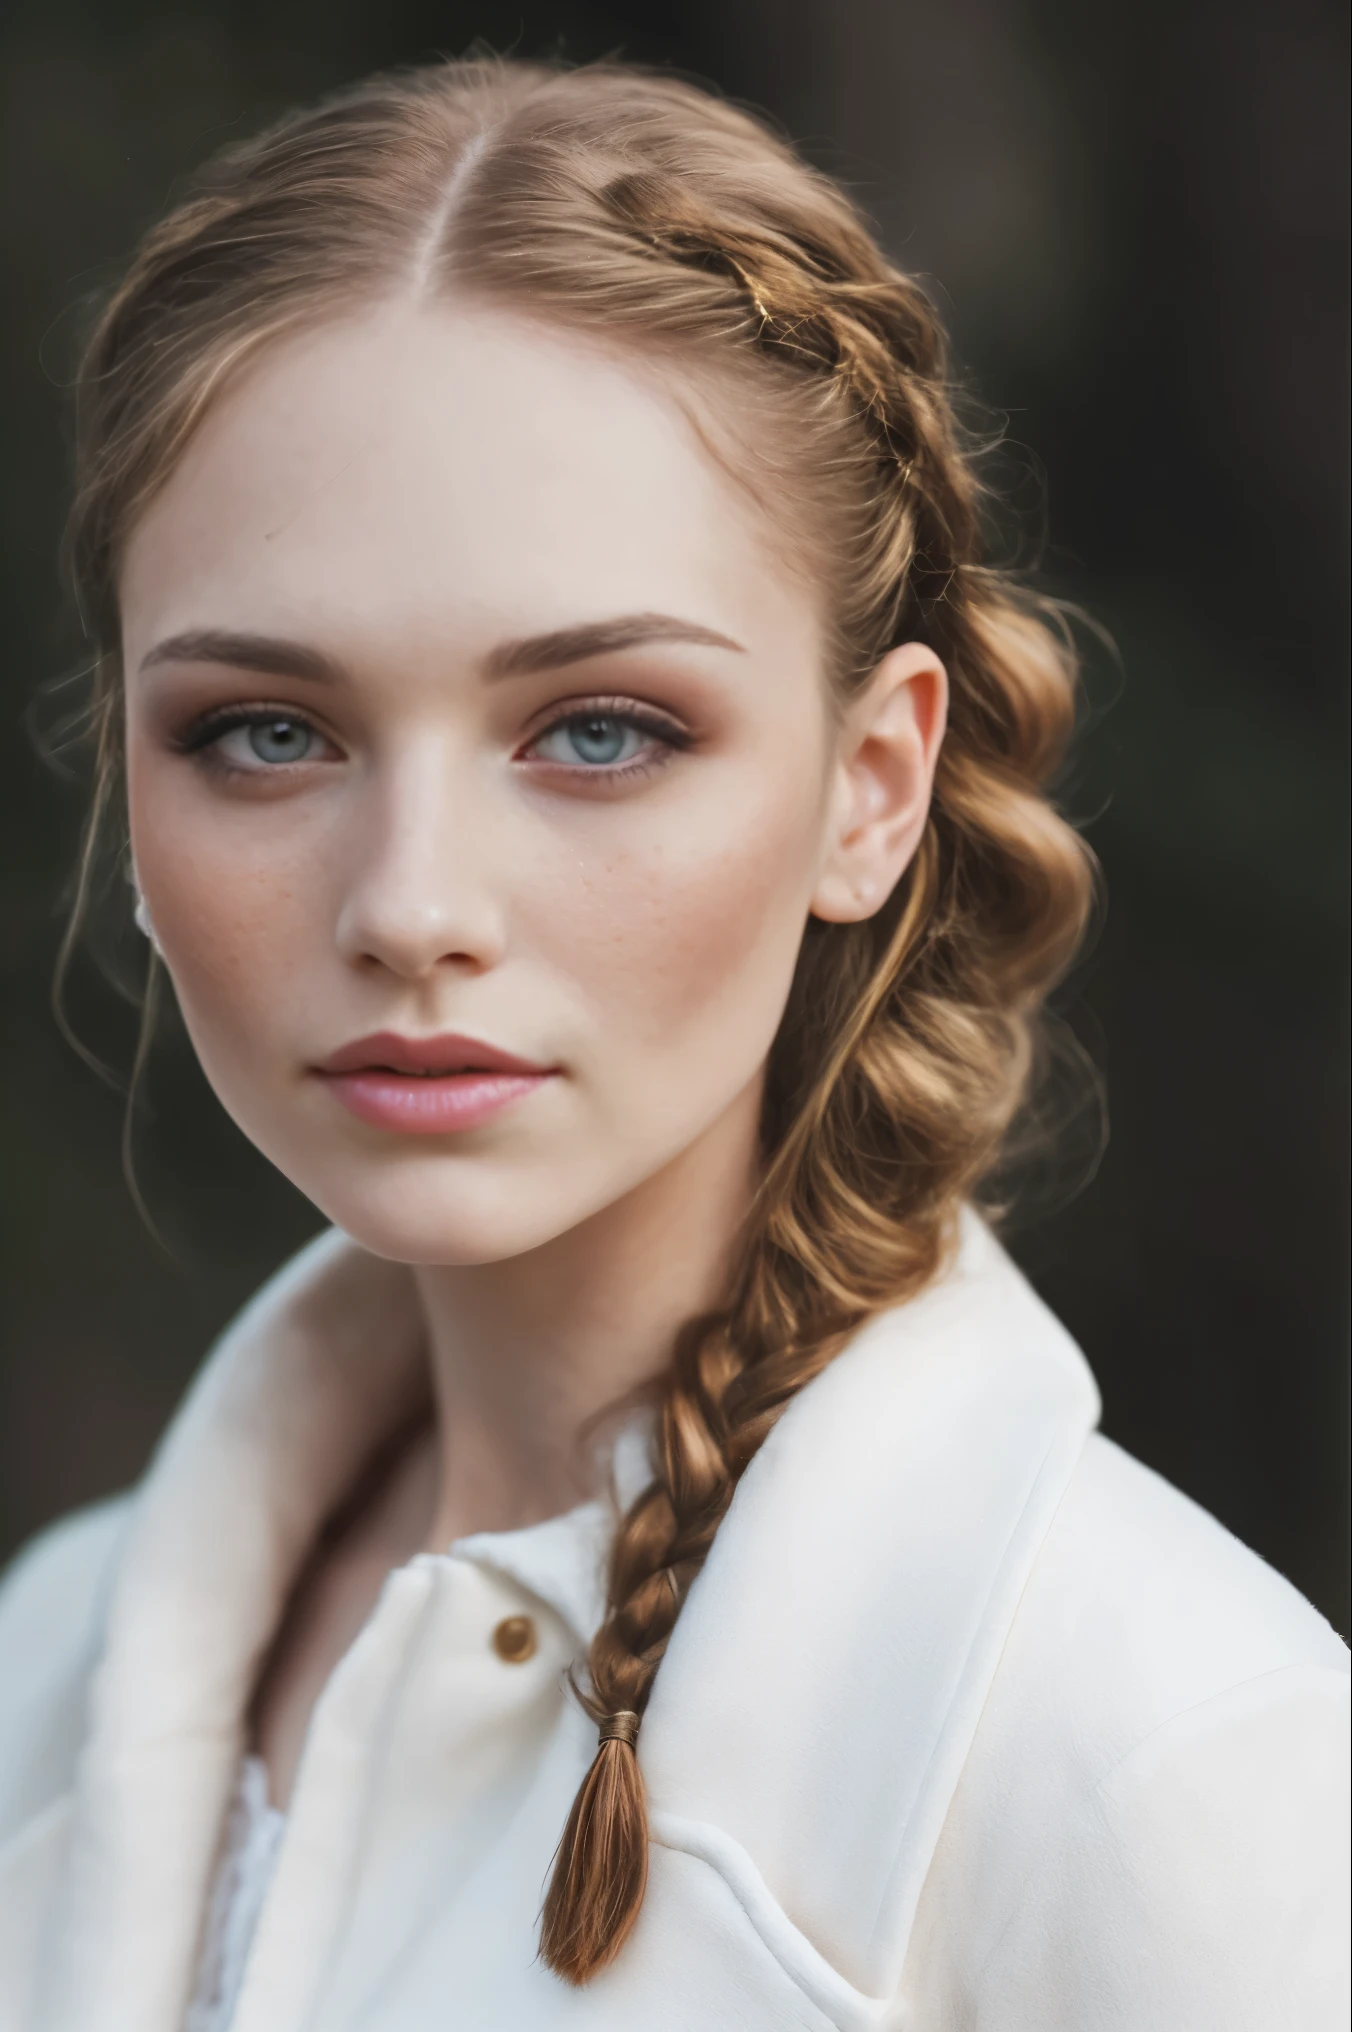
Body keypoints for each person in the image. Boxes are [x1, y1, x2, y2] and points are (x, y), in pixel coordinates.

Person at [0, 55, 1345, 2032]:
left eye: (601, 728)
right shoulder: (55, 1653)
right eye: (266, 733)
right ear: (127, 791)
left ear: (870, 785)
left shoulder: (1153, 1745)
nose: (411, 900)